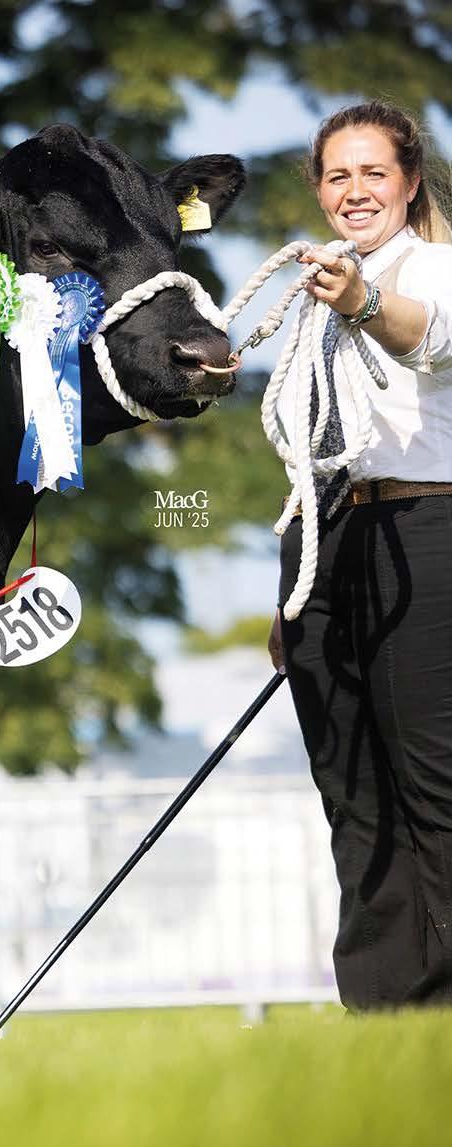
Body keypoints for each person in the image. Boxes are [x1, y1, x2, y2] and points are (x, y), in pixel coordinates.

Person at [268, 100, 452, 1010]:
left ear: (409, 182)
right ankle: (385, 1011)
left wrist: (363, 302)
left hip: (427, 529)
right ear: (319, 190)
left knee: (434, 781)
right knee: (350, 787)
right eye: (338, 175)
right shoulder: (311, 298)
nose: (355, 190)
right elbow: (305, 441)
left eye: (374, 172)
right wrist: (290, 593)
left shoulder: (438, 269)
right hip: (326, 540)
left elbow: (430, 336)